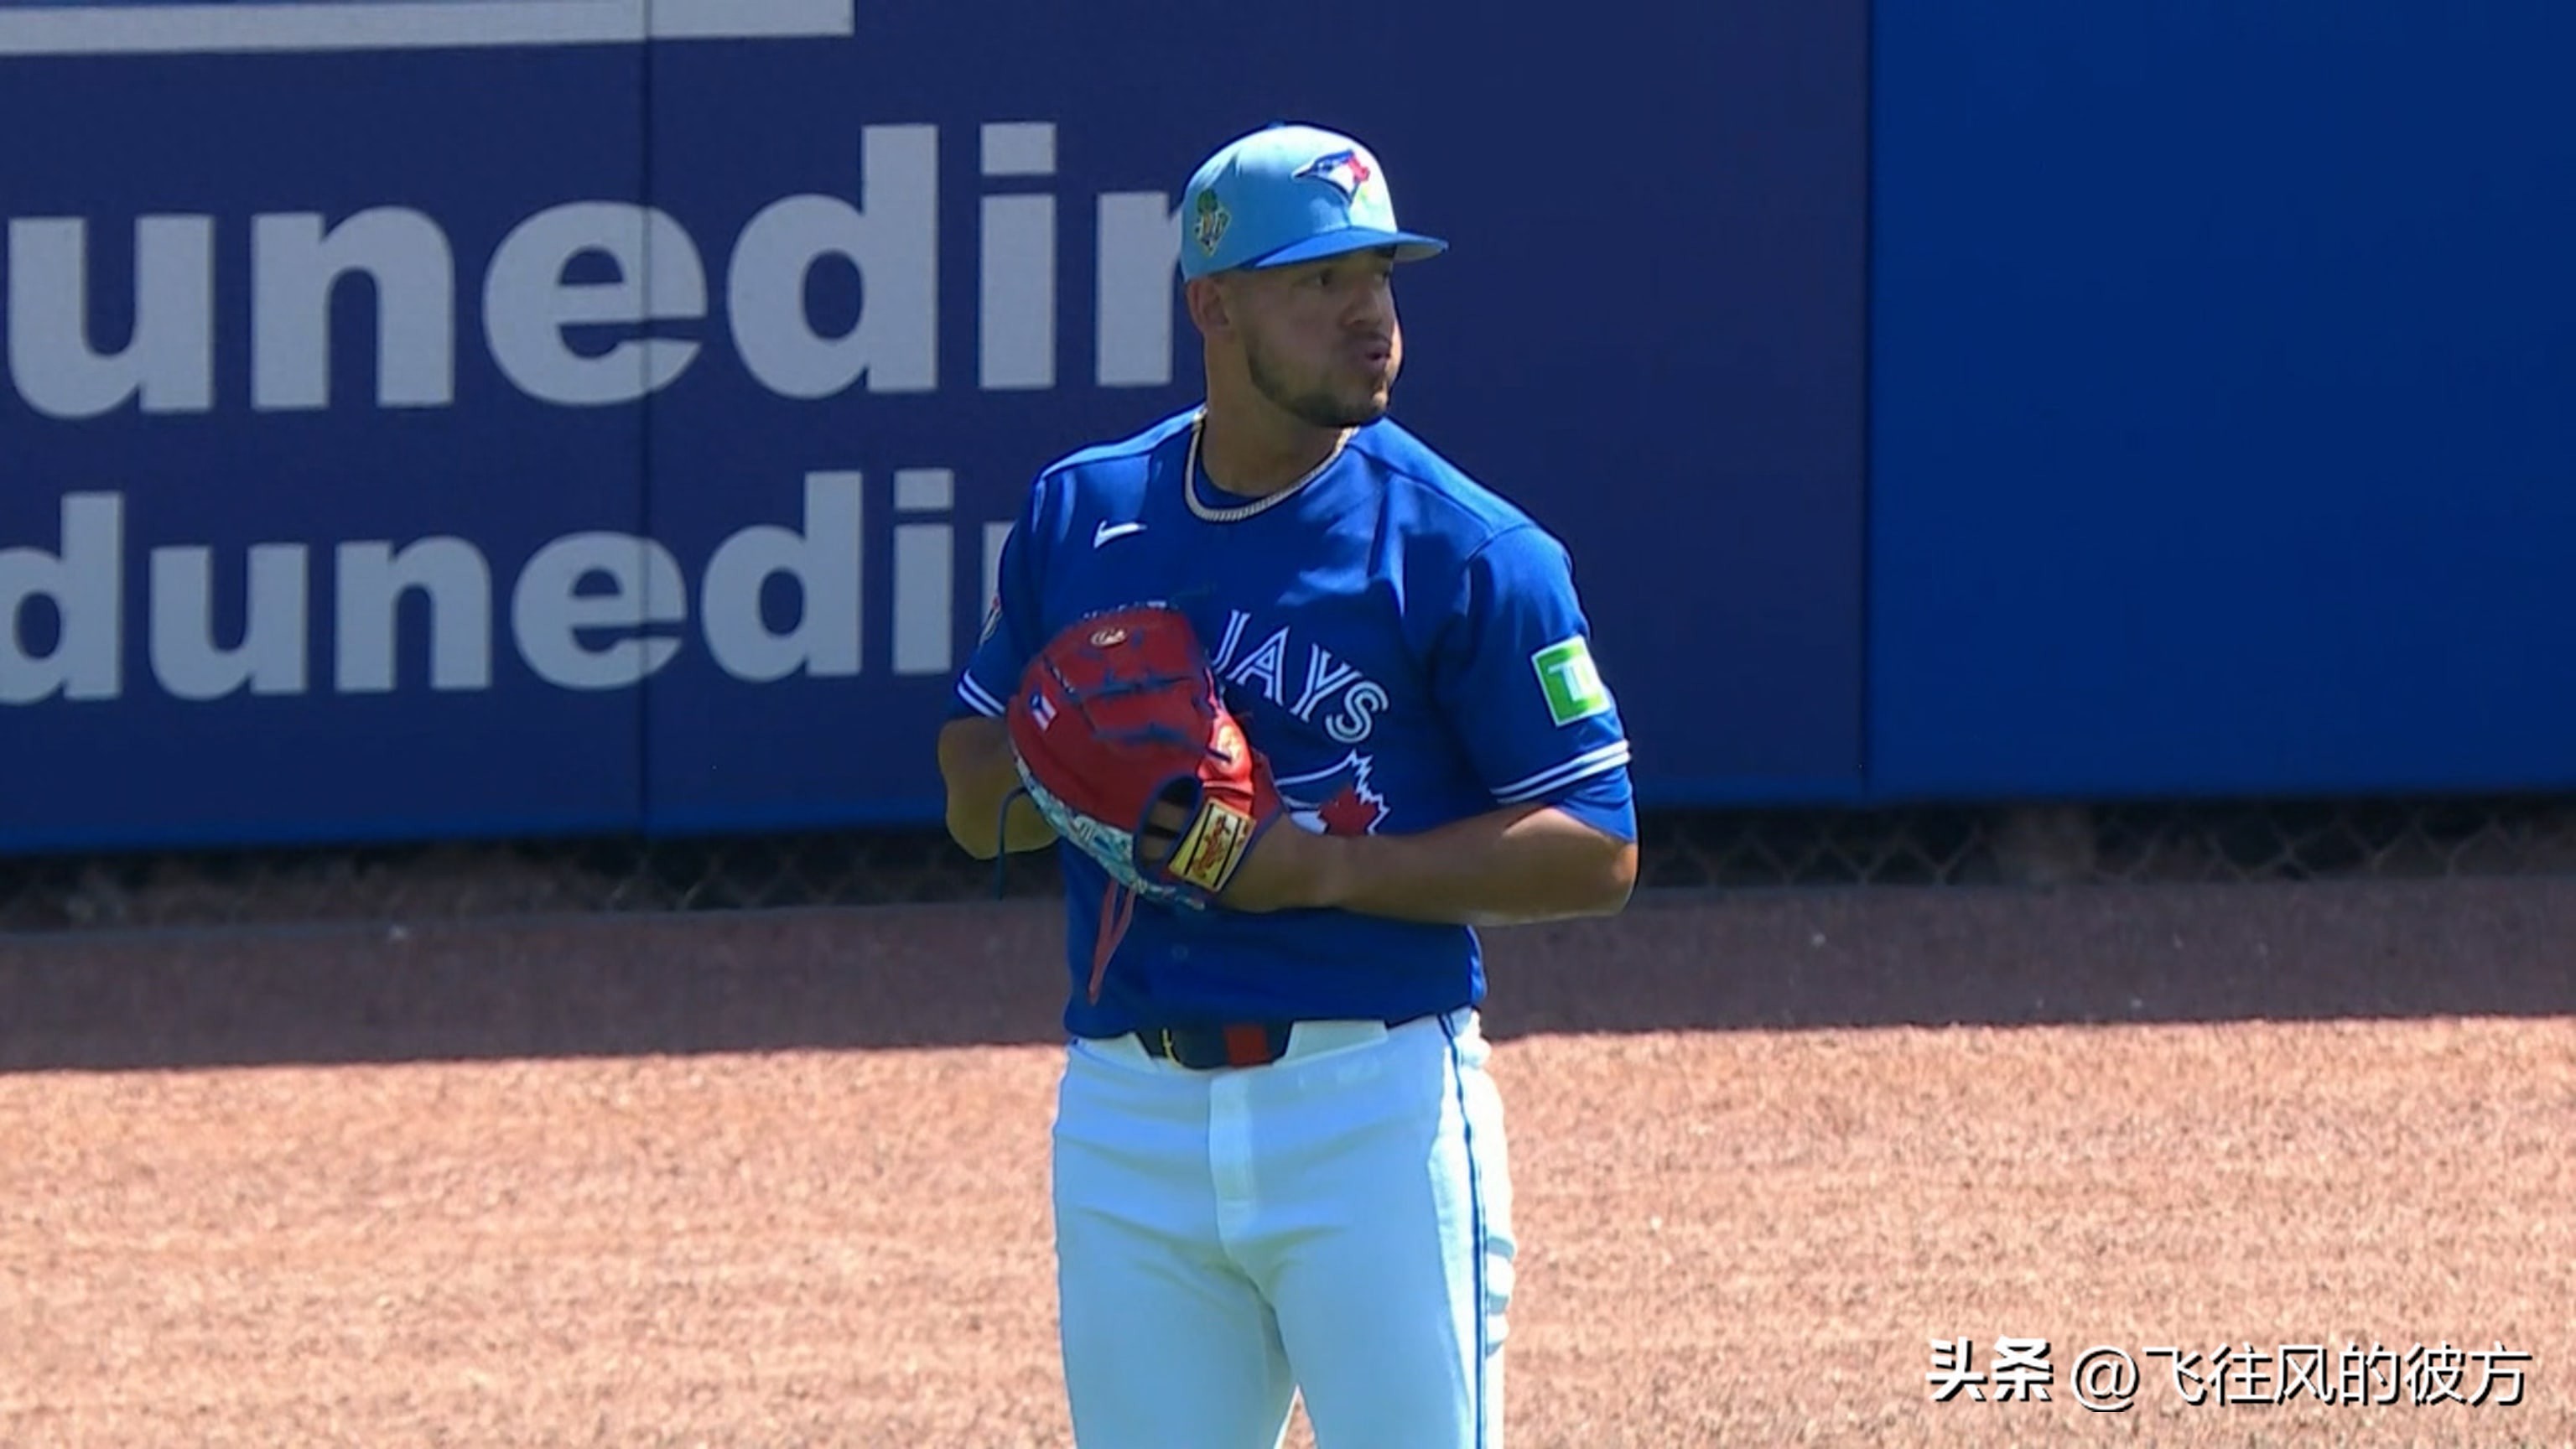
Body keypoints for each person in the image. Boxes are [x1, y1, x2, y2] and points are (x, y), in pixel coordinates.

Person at [936, 121, 1639, 1449]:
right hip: (1127, 1116)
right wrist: (1066, 781)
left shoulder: (1470, 550)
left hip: (1368, 1111)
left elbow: (1596, 848)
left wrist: (1316, 867)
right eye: (1319, 281)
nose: (1367, 314)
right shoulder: (1084, 515)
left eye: (1378, 276)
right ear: (1214, 305)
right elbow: (971, 791)